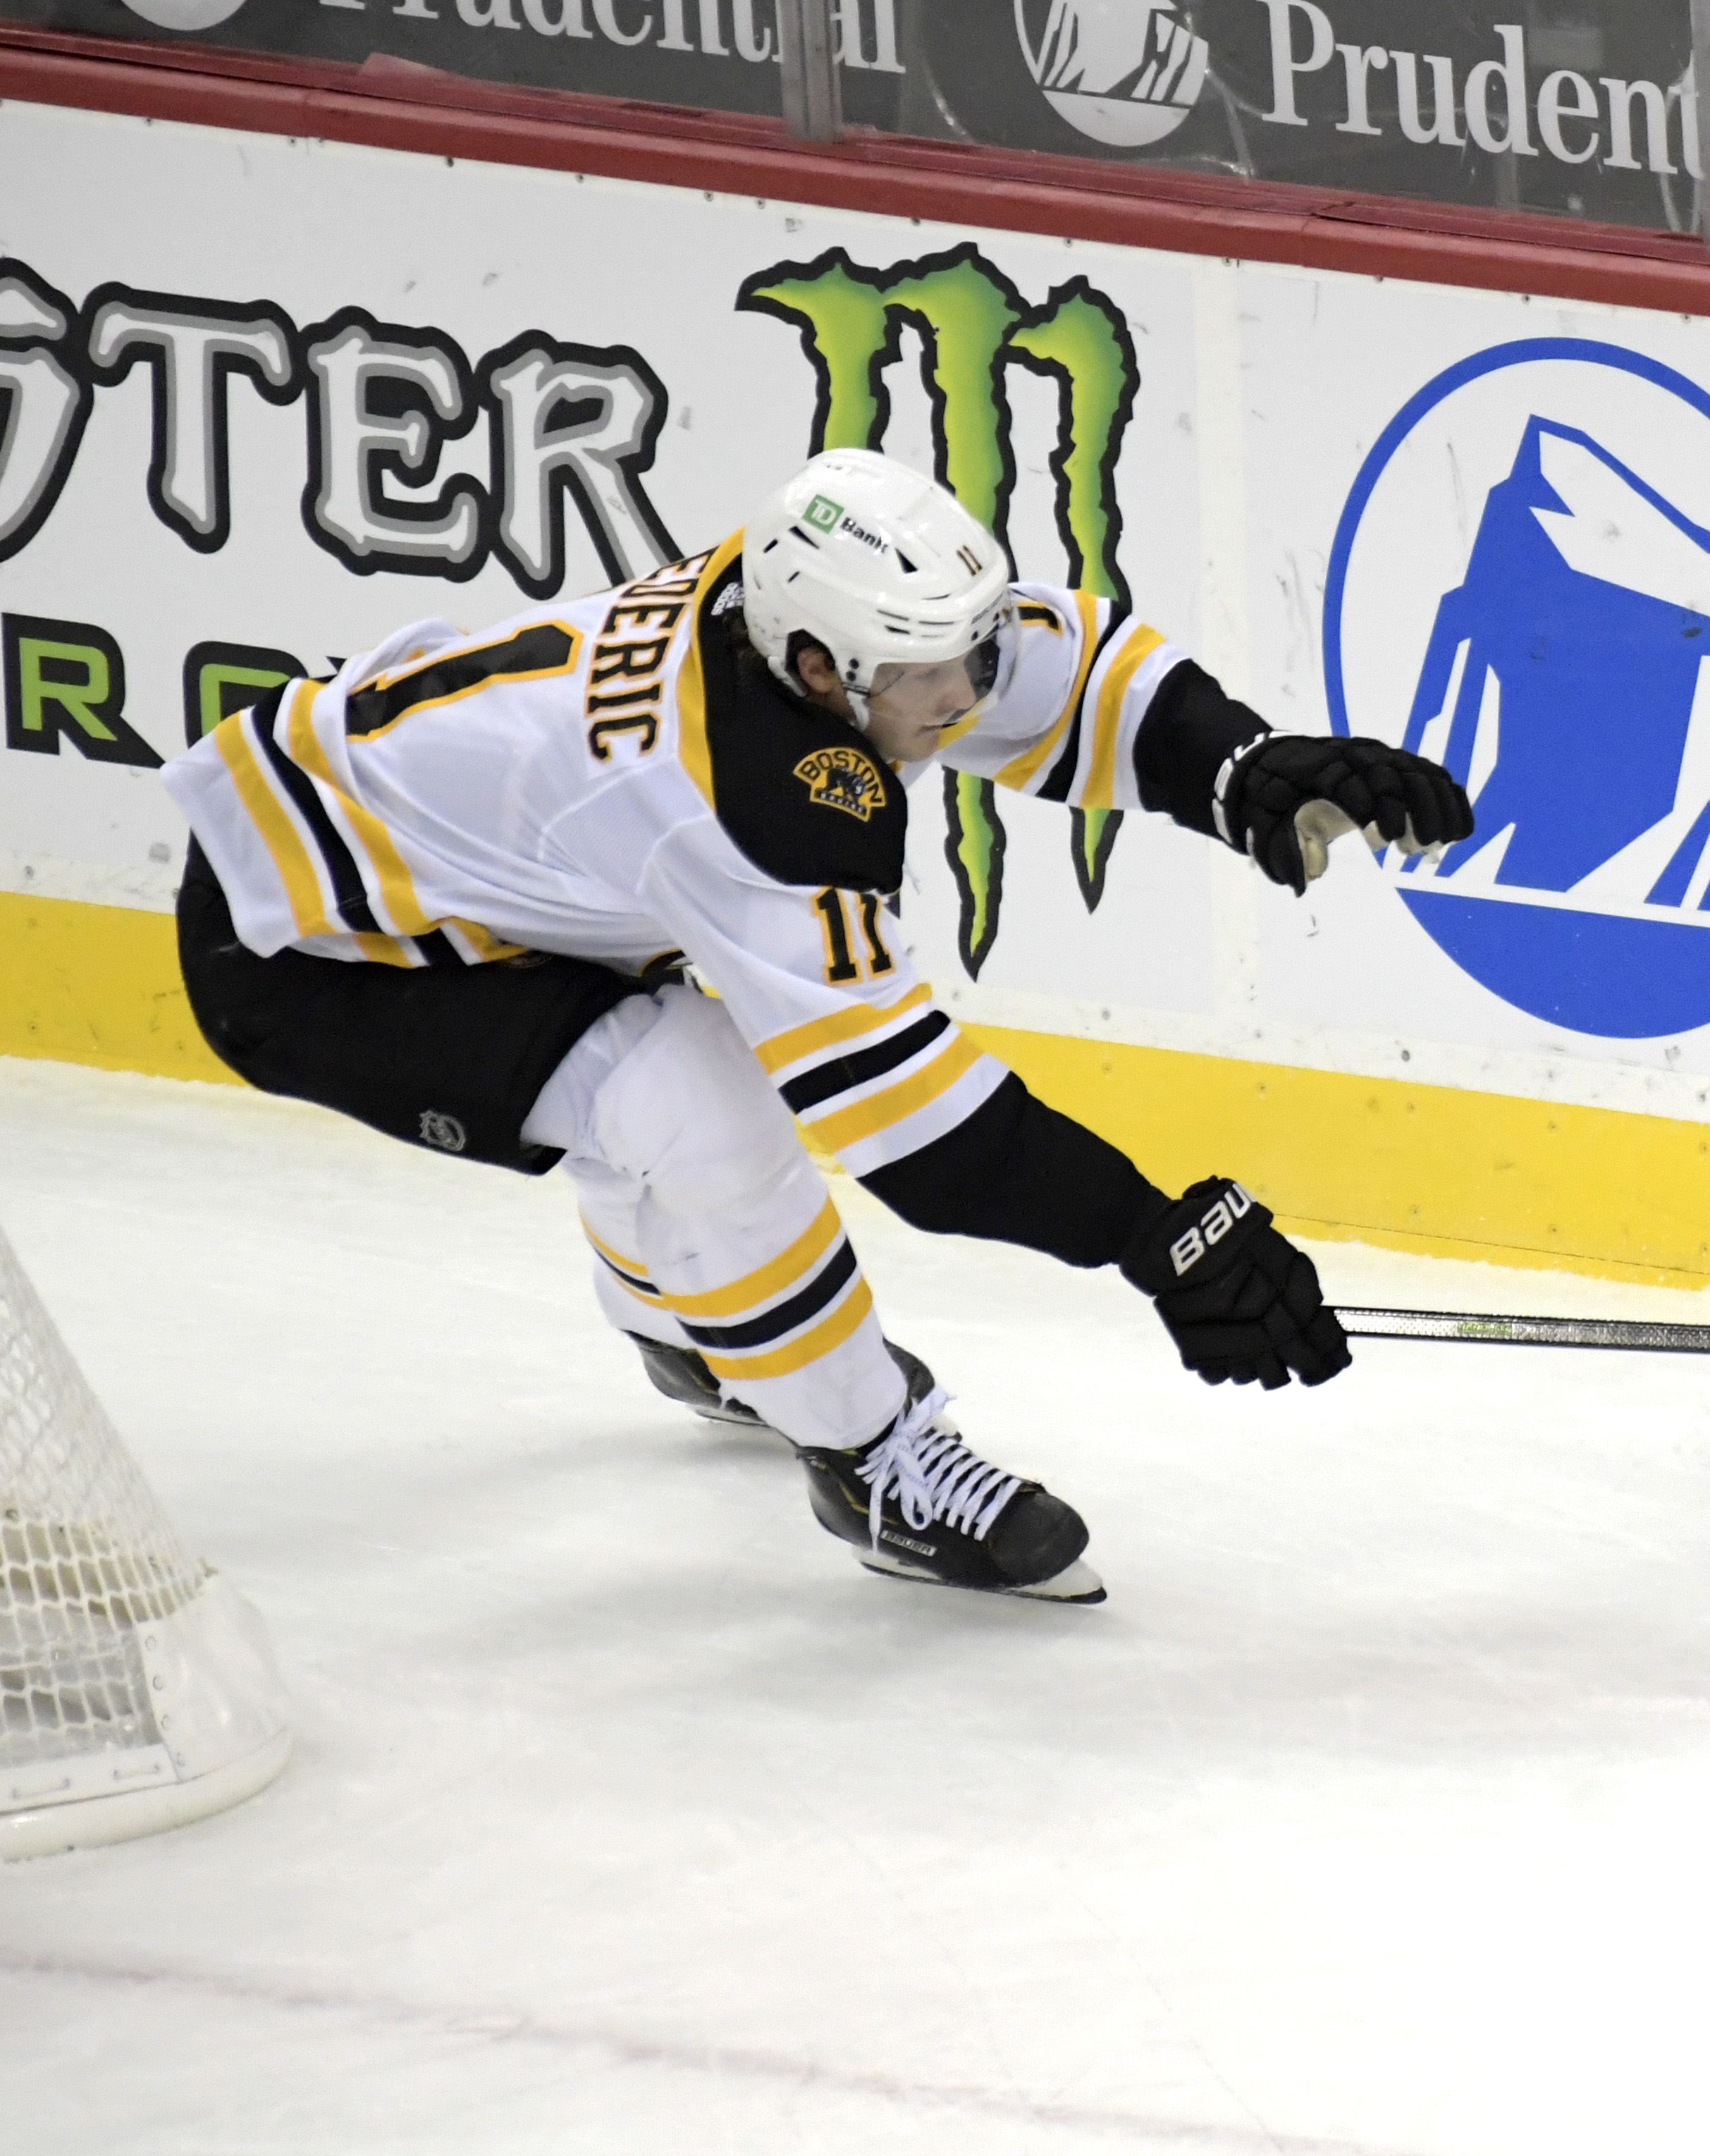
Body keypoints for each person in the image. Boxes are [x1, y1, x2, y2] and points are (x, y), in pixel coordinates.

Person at [159, 449, 1473, 1604]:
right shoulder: (740, 803)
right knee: (695, 1101)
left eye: (964, 656)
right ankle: (873, 1459)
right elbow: (917, 1134)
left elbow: (1037, 668)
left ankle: (686, 1321)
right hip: (312, 955)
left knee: (661, 1067)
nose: (965, 699)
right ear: (813, 674)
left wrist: (1239, 766)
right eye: (929, 682)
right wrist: (1152, 1238)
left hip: (459, 862)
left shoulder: (802, 601)